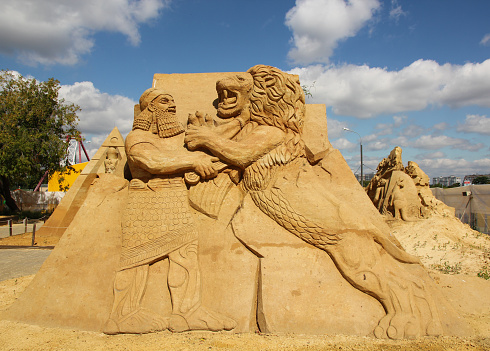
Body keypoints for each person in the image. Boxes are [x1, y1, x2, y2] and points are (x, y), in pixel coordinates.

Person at [103, 88, 235, 334]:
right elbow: (152, 163)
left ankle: (187, 313)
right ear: (150, 107)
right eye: (165, 101)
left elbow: (189, 156)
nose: (172, 105)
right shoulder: (137, 137)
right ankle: (122, 315)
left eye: (174, 101)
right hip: (146, 204)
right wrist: (191, 161)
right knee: (136, 258)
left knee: (185, 256)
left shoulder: (171, 140)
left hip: (174, 202)